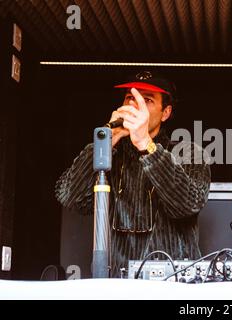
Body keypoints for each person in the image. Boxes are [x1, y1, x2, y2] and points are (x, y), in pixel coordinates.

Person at [55, 71, 211, 277]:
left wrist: (145, 143)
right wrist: (105, 142)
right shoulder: (111, 152)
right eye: (130, 97)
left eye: (146, 100)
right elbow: (69, 198)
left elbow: (187, 205)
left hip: (171, 281)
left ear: (165, 112)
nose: (135, 105)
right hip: (116, 280)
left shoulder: (190, 152)